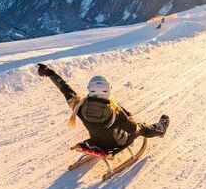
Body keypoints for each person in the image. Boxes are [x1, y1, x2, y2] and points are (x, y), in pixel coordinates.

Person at [37, 64, 169, 150]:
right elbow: (132, 128)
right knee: (141, 127)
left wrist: (50, 73)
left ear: (90, 90)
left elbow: (65, 89)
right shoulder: (115, 112)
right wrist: (131, 120)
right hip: (117, 143)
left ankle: (156, 128)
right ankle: (160, 129)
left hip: (97, 141)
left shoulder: (79, 106)